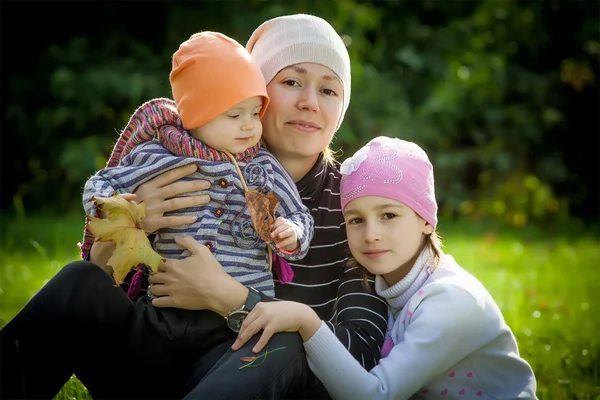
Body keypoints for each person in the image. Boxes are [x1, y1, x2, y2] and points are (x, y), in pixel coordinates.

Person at [0, 13, 388, 400]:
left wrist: (227, 297)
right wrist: (133, 221)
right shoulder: (179, 163)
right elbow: (102, 282)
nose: (309, 103)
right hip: (152, 354)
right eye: (291, 82)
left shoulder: (354, 206)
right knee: (79, 281)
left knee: (284, 343)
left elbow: (362, 354)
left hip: (243, 369)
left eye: (329, 90)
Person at [229, 136, 539, 399]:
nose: (371, 234)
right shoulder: (383, 286)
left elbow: (376, 394)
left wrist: (307, 322)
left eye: (388, 215)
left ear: (426, 220)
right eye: (356, 220)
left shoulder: (451, 300)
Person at [81, 31, 314, 300]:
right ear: (195, 116)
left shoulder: (262, 167)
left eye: (255, 113)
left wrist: (293, 232)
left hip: (243, 313)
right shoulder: (159, 156)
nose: (249, 125)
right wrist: (118, 209)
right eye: (235, 115)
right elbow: (102, 184)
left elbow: (300, 215)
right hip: (169, 303)